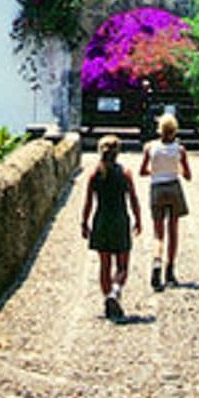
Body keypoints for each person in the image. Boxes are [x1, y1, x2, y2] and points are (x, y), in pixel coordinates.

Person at [81, 134, 142, 319]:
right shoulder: (125, 174)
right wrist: (138, 220)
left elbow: (88, 203)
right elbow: (133, 199)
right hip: (120, 221)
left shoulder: (94, 174)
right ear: (118, 153)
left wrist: (84, 223)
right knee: (122, 266)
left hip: (101, 221)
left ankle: (107, 298)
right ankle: (115, 292)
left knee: (104, 266)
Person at [139, 111, 192, 290]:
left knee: (158, 232)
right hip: (174, 188)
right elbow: (188, 175)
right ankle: (170, 270)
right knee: (173, 231)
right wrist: (176, 169)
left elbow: (142, 171)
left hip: (157, 188)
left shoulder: (150, 147)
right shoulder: (180, 149)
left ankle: (156, 260)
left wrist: (156, 171)